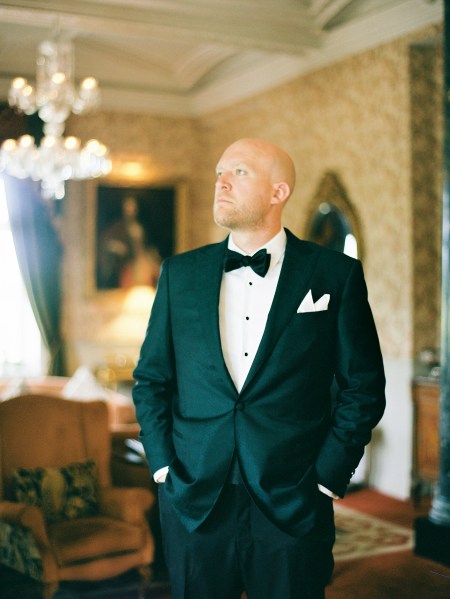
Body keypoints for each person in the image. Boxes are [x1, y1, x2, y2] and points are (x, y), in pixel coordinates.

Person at [132, 138, 386, 599]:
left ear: (278, 192)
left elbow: (363, 386)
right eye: (219, 172)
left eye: (239, 172)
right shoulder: (178, 274)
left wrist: (329, 475)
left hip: (294, 498)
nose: (221, 182)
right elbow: (151, 379)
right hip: (193, 500)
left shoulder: (334, 275)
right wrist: (163, 466)